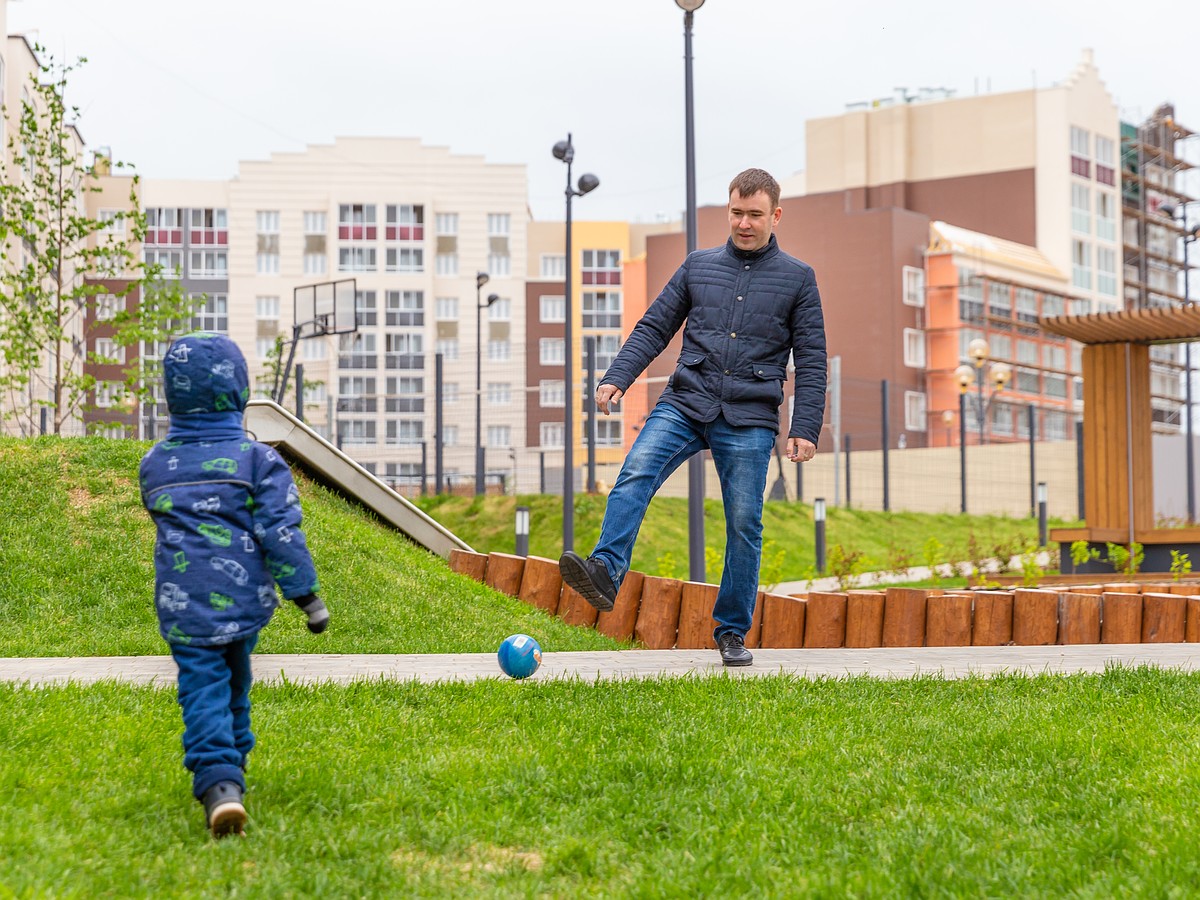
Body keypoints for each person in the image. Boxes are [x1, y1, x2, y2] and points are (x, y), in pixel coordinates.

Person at [559, 168, 827, 667]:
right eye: (736, 213)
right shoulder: (698, 266)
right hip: (686, 400)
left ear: (776, 215)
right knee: (635, 473)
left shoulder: (798, 278)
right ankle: (604, 571)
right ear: (728, 210)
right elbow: (655, 325)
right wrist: (618, 376)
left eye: (755, 215)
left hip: (749, 415)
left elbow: (812, 358)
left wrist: (805, 427)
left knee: (744, 523)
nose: (744, 224)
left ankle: (730, 631)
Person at [140, 332, 328, 838]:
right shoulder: (257, 462)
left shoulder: (155, 463)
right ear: (240, 392)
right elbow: (280, 533)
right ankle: (222, 780)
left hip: (180, 609)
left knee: (203, 685)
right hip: (243, 605)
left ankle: (227, 779)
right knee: (232, 683)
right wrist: (306, 595)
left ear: (173, 395)